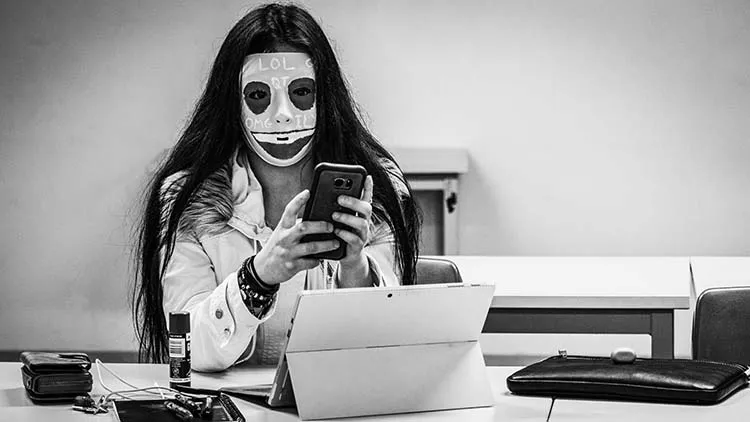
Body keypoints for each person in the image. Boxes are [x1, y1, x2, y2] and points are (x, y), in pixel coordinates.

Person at [131, 3, 421, 372]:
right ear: (232, 102)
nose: (282, 114)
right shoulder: (186, 199)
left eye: (301, 91)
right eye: (258, 95)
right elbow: (189, 350)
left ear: (324, 96)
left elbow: (390, 350)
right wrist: (260, 276)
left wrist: (355, 269)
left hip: (342, 404)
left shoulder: (378, 192)